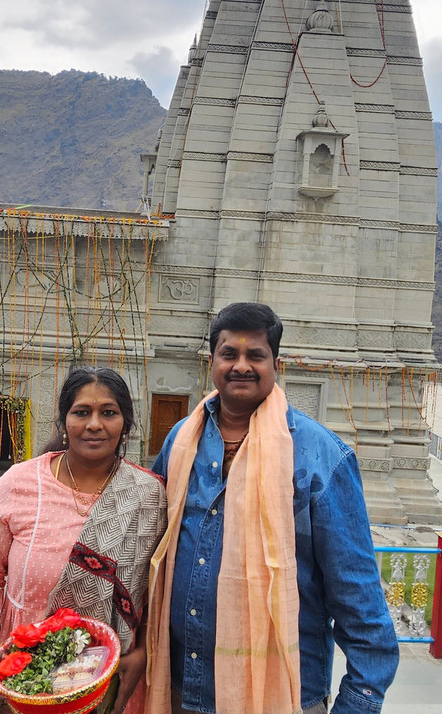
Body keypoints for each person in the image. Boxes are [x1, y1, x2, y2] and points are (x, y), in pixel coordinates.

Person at [147, 302, 399, 714]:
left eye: (255, 355)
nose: (241, 365)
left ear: (275, 365)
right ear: (212, 362)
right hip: (182, 690)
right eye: (229, 354)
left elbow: (357, 595)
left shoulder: (319, 455)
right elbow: (149, 545)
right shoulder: (181, 440)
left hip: (284, 696)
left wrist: (359, 701)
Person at [0, 367, 167, 714]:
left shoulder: (149, 495)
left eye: (108, 413)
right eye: (81, 412)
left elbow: (158, 592)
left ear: (126, 424)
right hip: (26, 680)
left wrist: (143, 650)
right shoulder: (20, 484)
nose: (94, 424)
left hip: (110, 681)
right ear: (63, 422)